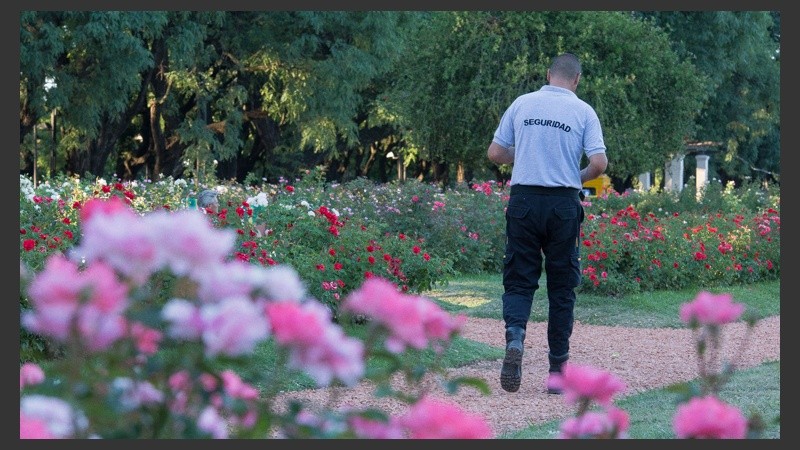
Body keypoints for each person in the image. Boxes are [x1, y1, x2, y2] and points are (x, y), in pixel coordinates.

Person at [486, 53, 608, 395]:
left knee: (520, 279)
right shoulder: (583, 111)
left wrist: (524, 151)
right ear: (577, 80)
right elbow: (599, 163)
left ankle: (515, 337)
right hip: (563, 205)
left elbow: (495, 153)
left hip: (524, 201)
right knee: (561, 287)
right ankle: (556, 372)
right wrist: (575, 175)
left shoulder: (522, 104)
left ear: (548, 74)